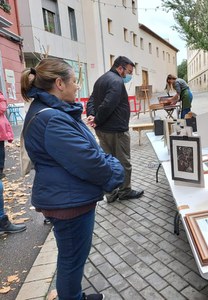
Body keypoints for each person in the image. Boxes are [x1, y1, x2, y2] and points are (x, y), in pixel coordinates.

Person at [20, 58, 124, 300]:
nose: (77, 87)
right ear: (59, 83)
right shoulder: (52, 119)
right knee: (72, 259)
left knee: (71, 256)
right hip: (69, 203)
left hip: (66, 197)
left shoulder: (52, 112)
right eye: (75, 81)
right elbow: (90, 162)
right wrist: (116, 169)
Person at [86, 56, 144, 203]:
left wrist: (92, 116)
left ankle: (111, 194)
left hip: (103, 130)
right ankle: (125, 191)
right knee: (124, 162)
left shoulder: (101, 79)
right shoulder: (117, 81)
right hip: (117, 131)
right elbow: (108, 104)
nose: (129, 75)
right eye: (129, 71)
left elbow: (91, 99)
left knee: (108, 163)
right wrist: (97, 118)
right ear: (120, 68)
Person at [0, 91, 14, 179]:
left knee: (0, 148)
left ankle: (0, 169)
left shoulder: (1, 97)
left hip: (0, 128)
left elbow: (2, 108)